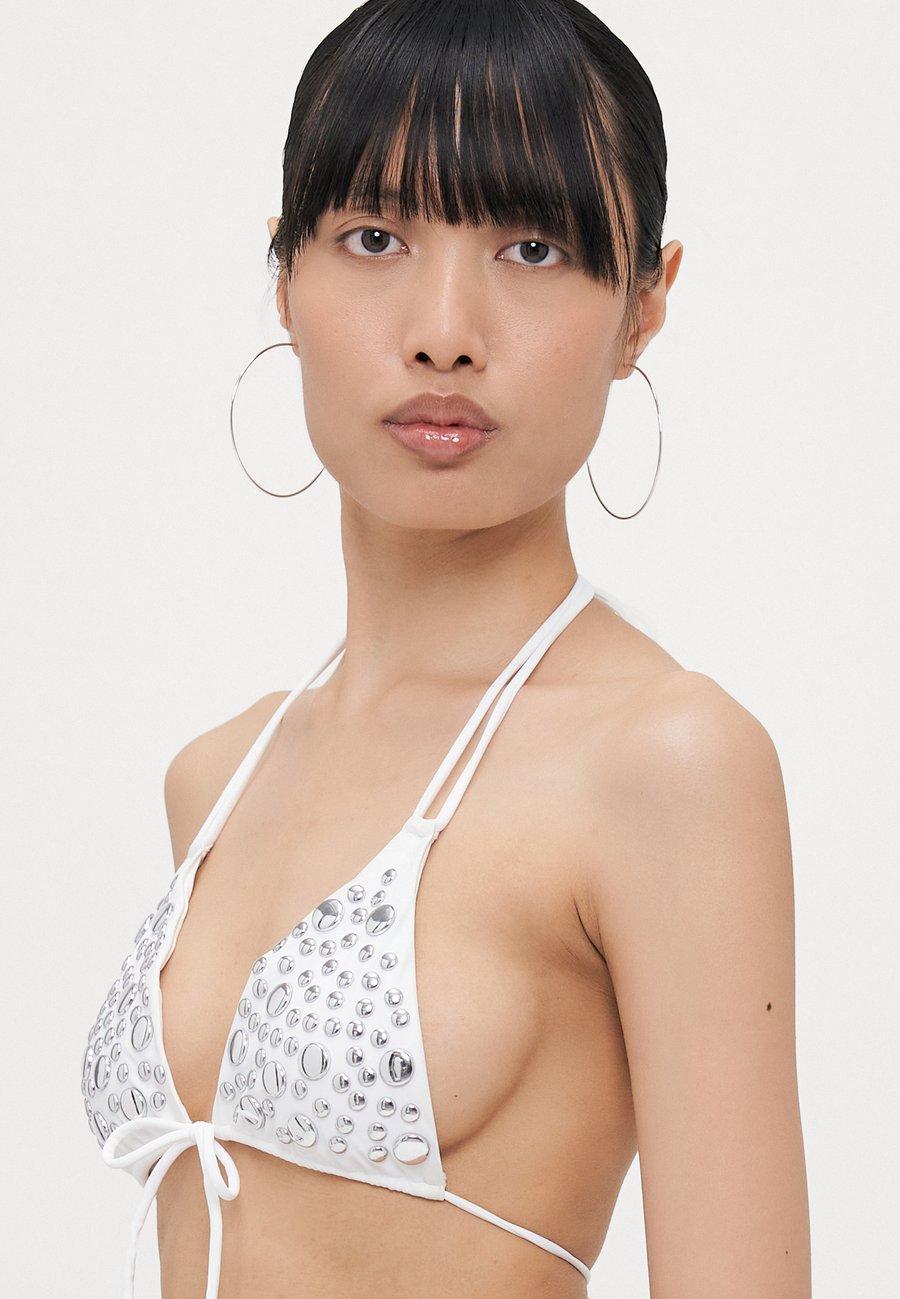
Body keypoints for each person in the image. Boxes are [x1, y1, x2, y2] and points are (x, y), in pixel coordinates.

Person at [81, 2, 811, 1294]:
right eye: (374, 238)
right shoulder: (219, 773)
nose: (444, 329)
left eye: (533, 247)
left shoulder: (664, 759)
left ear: (643, 306)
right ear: (284, 277)